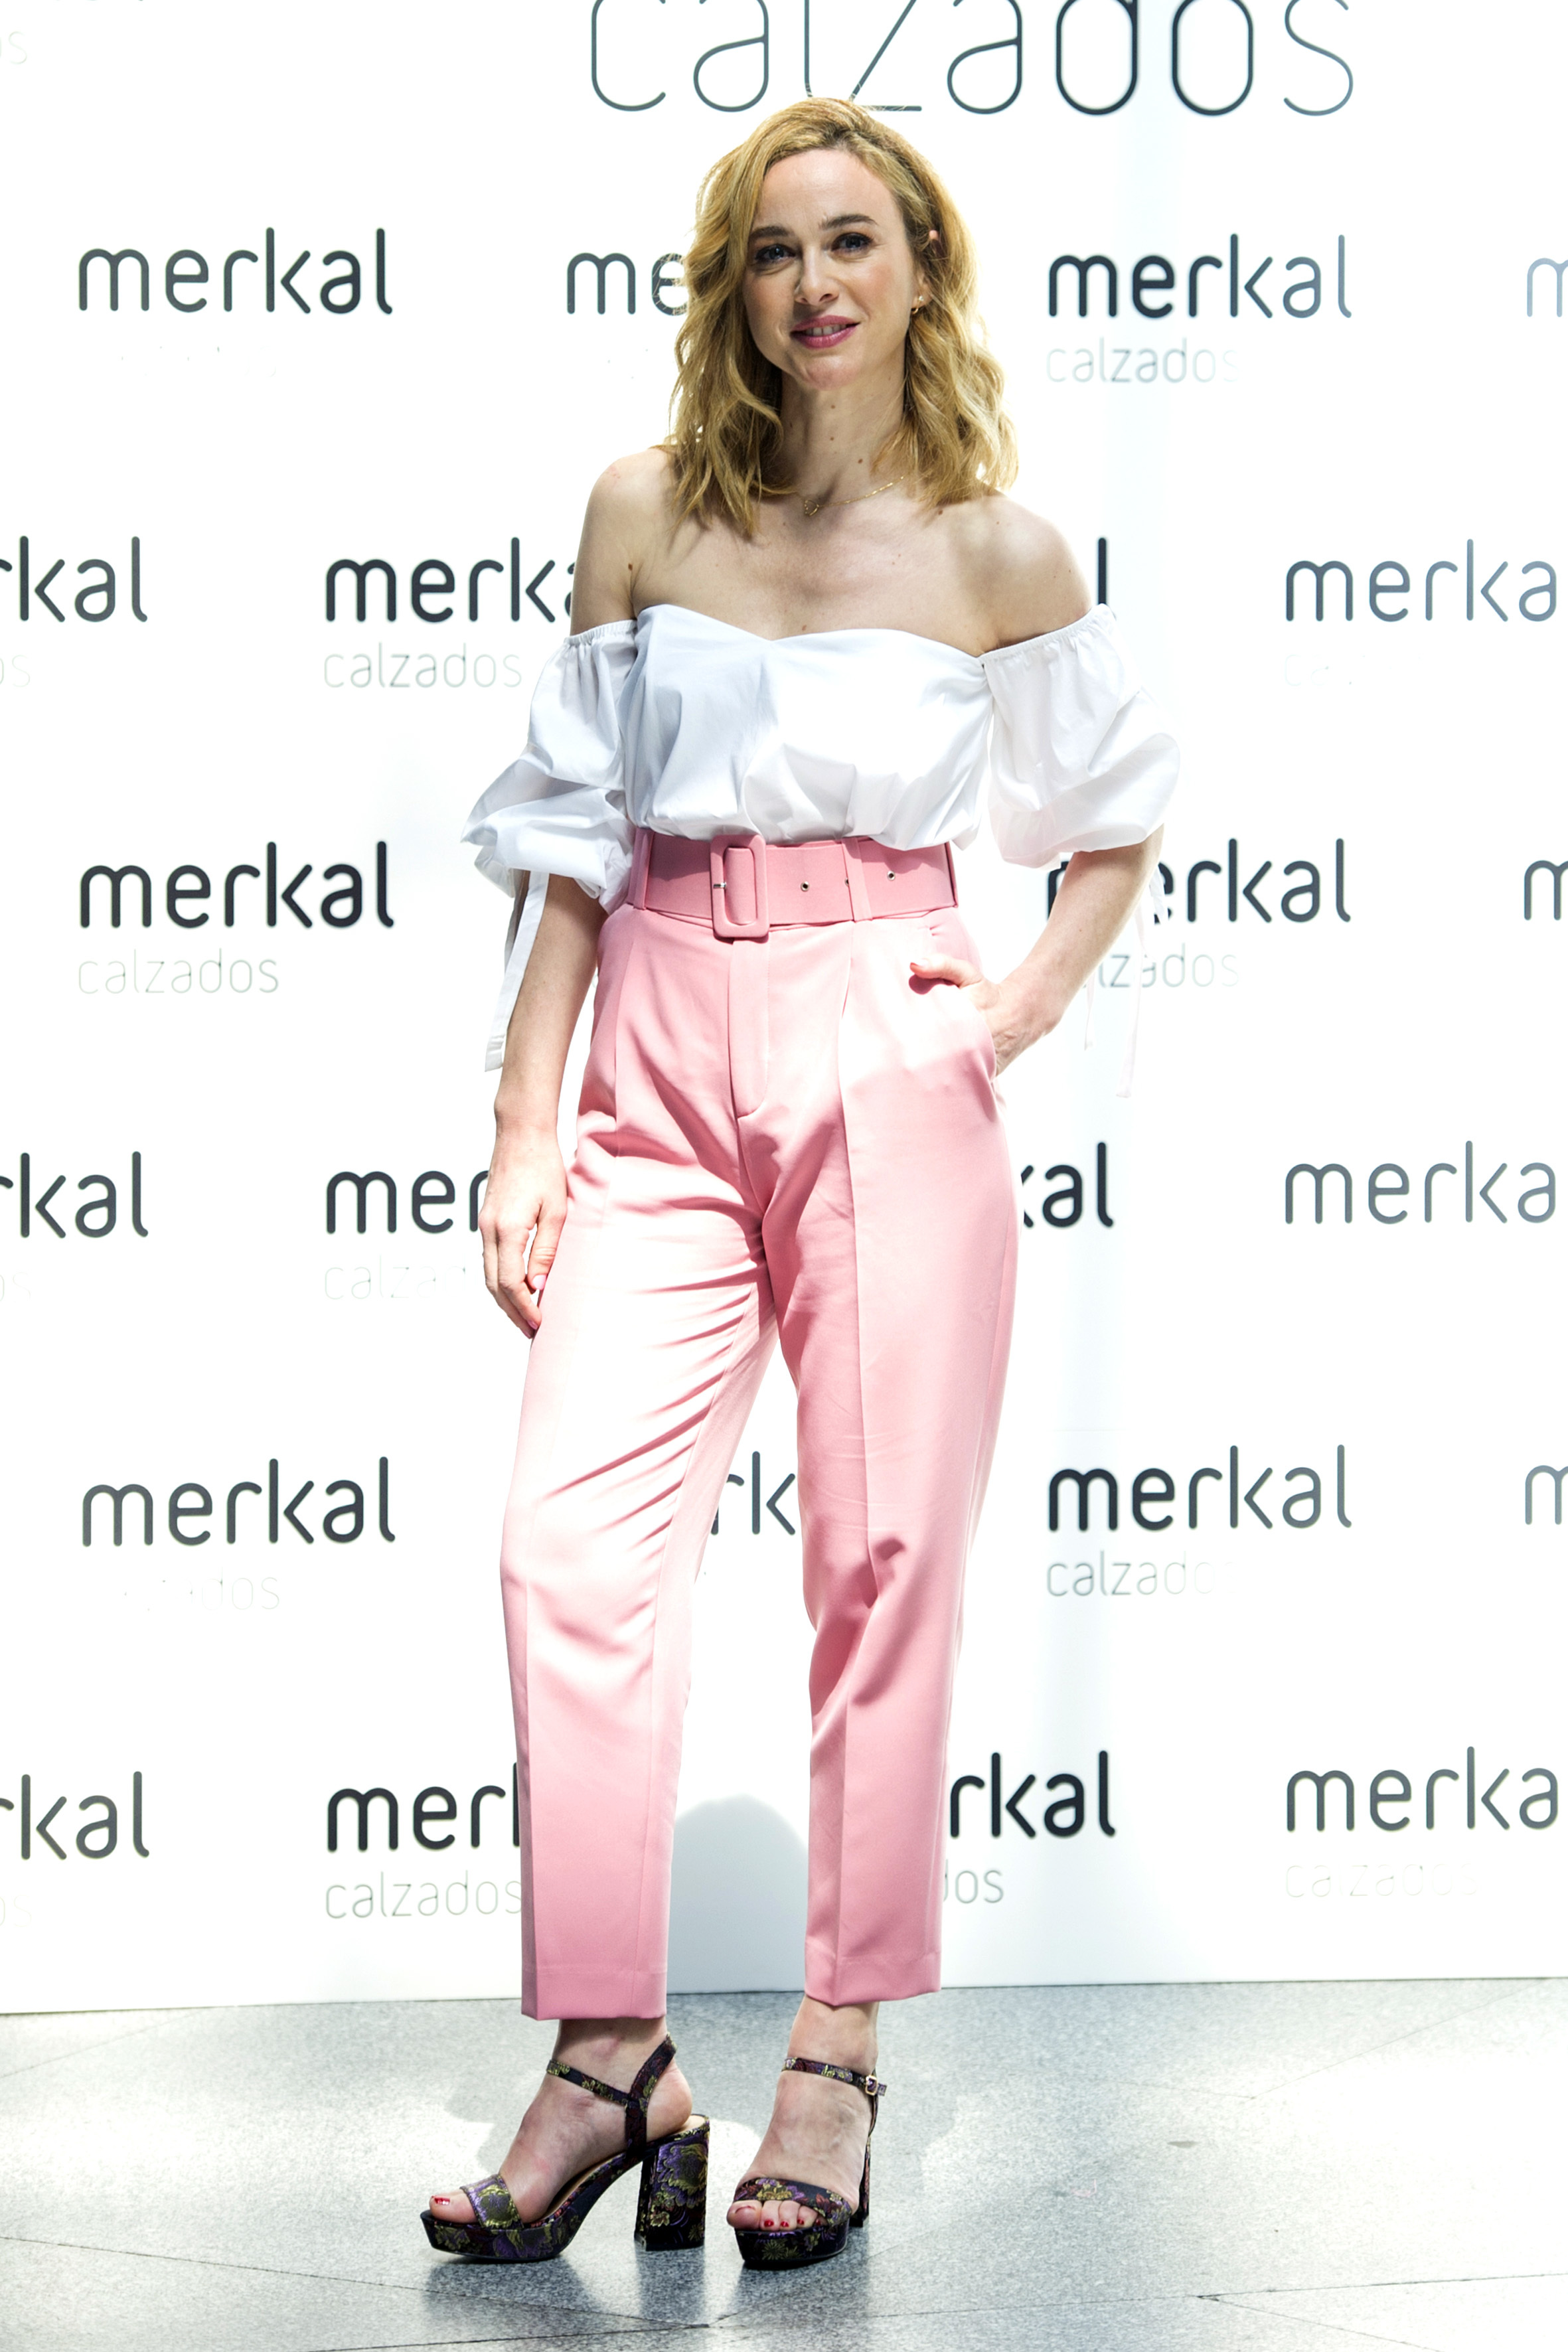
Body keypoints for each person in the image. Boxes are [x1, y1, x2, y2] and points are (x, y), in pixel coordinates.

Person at [424, 96, 1177, 2274]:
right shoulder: (642, 510)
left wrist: (1008, 1009)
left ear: (920, 268)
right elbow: (570, 845)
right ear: (730, 291)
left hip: (883, 1031)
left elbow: (1114, 811)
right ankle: (608, 2059)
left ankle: (837, 2048)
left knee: (878, 1556)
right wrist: (523, 1127)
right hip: (655, 1038)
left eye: (853, 241)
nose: (814, 283)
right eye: (773, 249)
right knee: (568, 1550)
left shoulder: (994, 552)